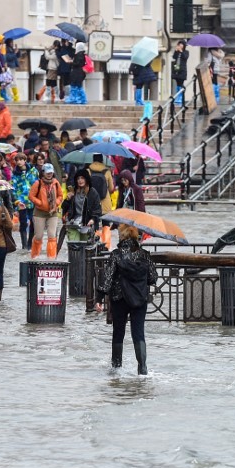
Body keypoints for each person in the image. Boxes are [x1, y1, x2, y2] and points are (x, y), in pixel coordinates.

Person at [94, 224, 158, 375]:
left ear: (122, 236)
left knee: (118, 332)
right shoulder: (145, 255)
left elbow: (107, 279)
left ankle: (116, 368)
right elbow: (153, 277)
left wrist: (99, 298)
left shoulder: (116, 255)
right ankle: (142, 368)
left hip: (119, 298)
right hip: (140, 299)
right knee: (138, 333)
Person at [29, 163, 63, 259]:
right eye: (47, 172)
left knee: (52, 235)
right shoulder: (38, 183)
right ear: (43, 172)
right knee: (38, 236)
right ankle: (34, 256)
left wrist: (56, 202)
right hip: (39, 213)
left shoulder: (56, 183)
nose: (49, 174)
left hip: (53, 213)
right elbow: (31, 196)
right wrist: (40, 203)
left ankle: (51, 258)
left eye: (51, 172)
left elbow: (60, 196)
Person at [11, 152, 38, 251]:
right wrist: (17, 201)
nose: (19, 162)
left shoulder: (33, 171)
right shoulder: (14, 174)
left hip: (33, 201)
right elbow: (13, 188)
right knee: (23, 223)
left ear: (25, 160)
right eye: (17, 160)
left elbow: (37, 183)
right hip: (21, 202)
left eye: (21, 160)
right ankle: (24, 245)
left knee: (34, 223)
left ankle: (30, 243)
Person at [63, 168, 102, 233]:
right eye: (78, 178)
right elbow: (64, 208)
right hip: (74, 223)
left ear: (86, 179)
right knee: (73, 243)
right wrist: (67, 199)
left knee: (85, 243)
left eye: (82, 178)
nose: (80, 180)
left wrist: (93, 219)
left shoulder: (92, 193)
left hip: (87, 224)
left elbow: (98, 210)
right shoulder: (73, 191)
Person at [89, 154, 116, 247]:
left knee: (94, 223)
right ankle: (106, 245)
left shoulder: (88, 171)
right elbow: (111, 189)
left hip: (92, 203)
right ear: (102, 160)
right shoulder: (107, 172)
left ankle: (94, 245)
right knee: (106, 224)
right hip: (105, 202)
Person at [171, 39, 189, 106]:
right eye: (179, 44)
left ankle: (181, 97)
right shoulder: (177, 52)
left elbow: (185, 57)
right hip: (177, 70)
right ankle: (177, 97)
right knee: (178, 84)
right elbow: (174, 57)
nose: (180, 46)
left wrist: (181, 51)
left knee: (181, 84)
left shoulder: (186, 52)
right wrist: (176, 51)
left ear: (184, 46)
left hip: (182, 70)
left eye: (181, 44)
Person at [5, 38, 21, 102]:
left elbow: (18, 56)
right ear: (8, 43)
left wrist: (17, 51)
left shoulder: (12, 49)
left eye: (12, 42)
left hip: (13, 66)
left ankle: (16, 96)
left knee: (14, 82)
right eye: (11, 42)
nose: (12, 43)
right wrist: (14, 53)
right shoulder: (6, 49)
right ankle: (11, 96)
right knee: (10, 82)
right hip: (9, 66)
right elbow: (9, 58)